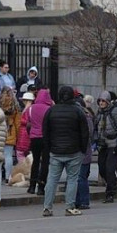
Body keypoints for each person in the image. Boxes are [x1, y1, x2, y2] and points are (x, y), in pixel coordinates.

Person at [40, 86, 90, 217]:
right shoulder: (78, 111)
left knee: (52, 180)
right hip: (74, 151)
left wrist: (49, 148)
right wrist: (82, 149)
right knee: (72, 179)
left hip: (56, 151)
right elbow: (85, 132)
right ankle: (70, 206)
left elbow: (45, 132)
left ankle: (47, 207)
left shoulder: (51, 111)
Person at [94, 91, 117, 203]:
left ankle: (110, 193)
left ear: (108, 101)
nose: (101, 103)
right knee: (102, 168)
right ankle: (112, 184)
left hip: (113, 143)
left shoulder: (115, 111)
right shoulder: (99, 112)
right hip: (102, 144)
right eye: (100, 101)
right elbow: (95, 127)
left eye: (103, 101)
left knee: (109, 168)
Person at [26, 88, 53, 195]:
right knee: (45, 162)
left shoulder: (31, 108)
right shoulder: (49, 109)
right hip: (45, 138)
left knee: (35, 161)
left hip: (34, 137)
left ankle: (32, 185)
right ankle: (41, 186)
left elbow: (28, 123)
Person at [75, 96, 95, 210]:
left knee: (81, 177)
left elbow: (89, 134)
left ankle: (84, 201)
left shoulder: (86, 118)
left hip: (83, 151)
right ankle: (78, 200)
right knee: (78, 177)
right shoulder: (85, 117)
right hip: (81, 151)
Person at [0, 87, 20, 183]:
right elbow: (18, 122)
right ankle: (8, 177)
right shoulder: (15, 105)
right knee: (8, 156)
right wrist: (18, 134)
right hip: (10, 131)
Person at [16, 91, 35, 162]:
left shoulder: (26, 110)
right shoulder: (33, 109)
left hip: (23, 136)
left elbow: (24, 121)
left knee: (21, 157)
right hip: (30, 136)